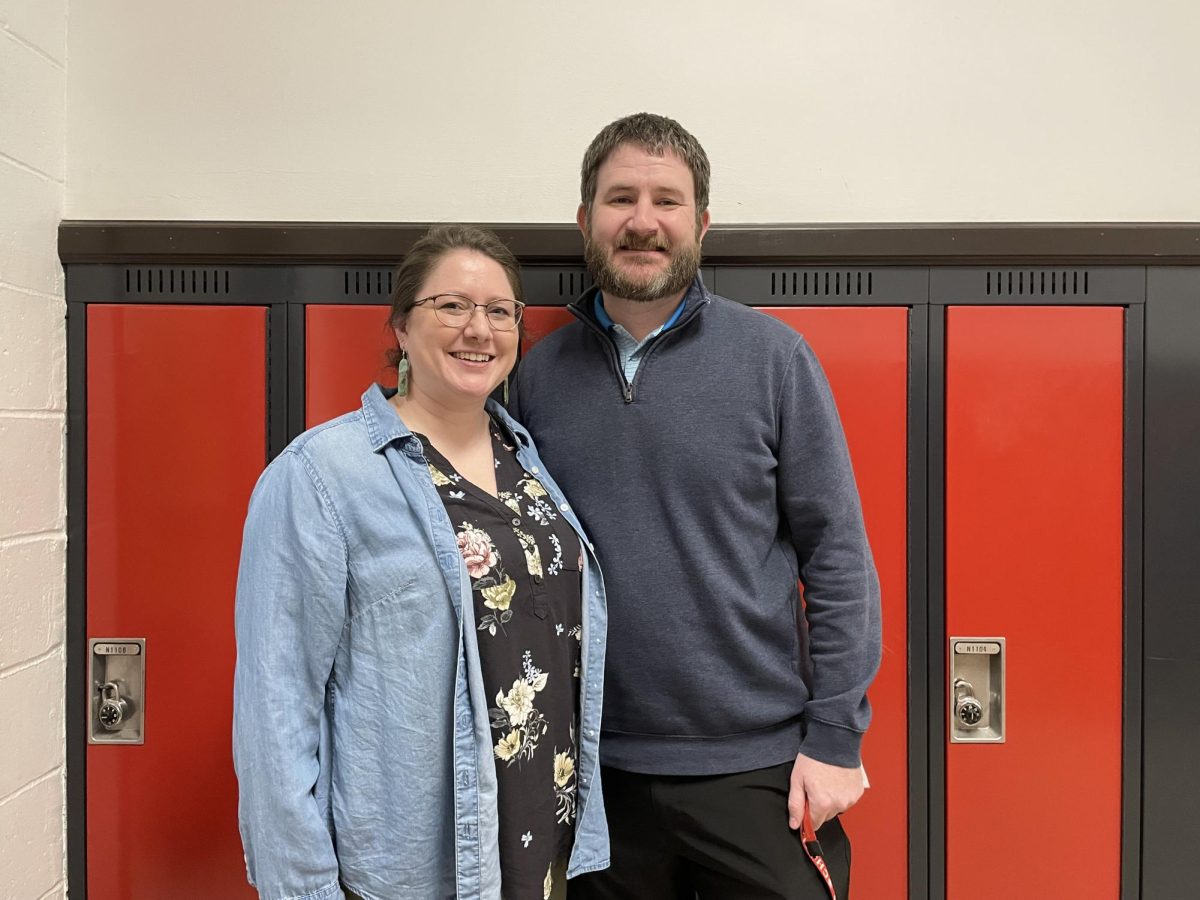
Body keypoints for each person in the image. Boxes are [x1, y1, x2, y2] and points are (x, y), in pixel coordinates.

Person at [511, 114, 881, 899]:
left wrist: (837, 739)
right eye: (620, 198)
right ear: (586, 220)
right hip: (596, 775)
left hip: (760, 771)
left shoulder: (774, 358)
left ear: (700, 223)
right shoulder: (536, 377)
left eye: (666, 201)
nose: (642, 221)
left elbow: (838, 556)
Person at [233, 225, 609, 900]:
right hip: (415, 869)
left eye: (500, 311)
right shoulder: (321, 476)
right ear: (402, 326)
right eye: (453, 306)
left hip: (540, 852)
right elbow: (276, 709)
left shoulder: (526, 462)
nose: (480, 329)